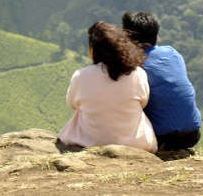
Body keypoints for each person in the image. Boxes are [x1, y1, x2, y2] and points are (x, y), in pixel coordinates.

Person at [58, 21, 158, 152]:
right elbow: (143, 102)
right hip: (136, 144)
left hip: (89, 143)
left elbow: (72, 104)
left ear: (93, 50)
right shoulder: (138, 74)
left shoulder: (80, 76)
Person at [122, 12, 201, 151]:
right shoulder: (173, 53)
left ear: (128, 38)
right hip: (193, 133)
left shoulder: (134, 64)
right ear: (156, 35)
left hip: (161, 138)